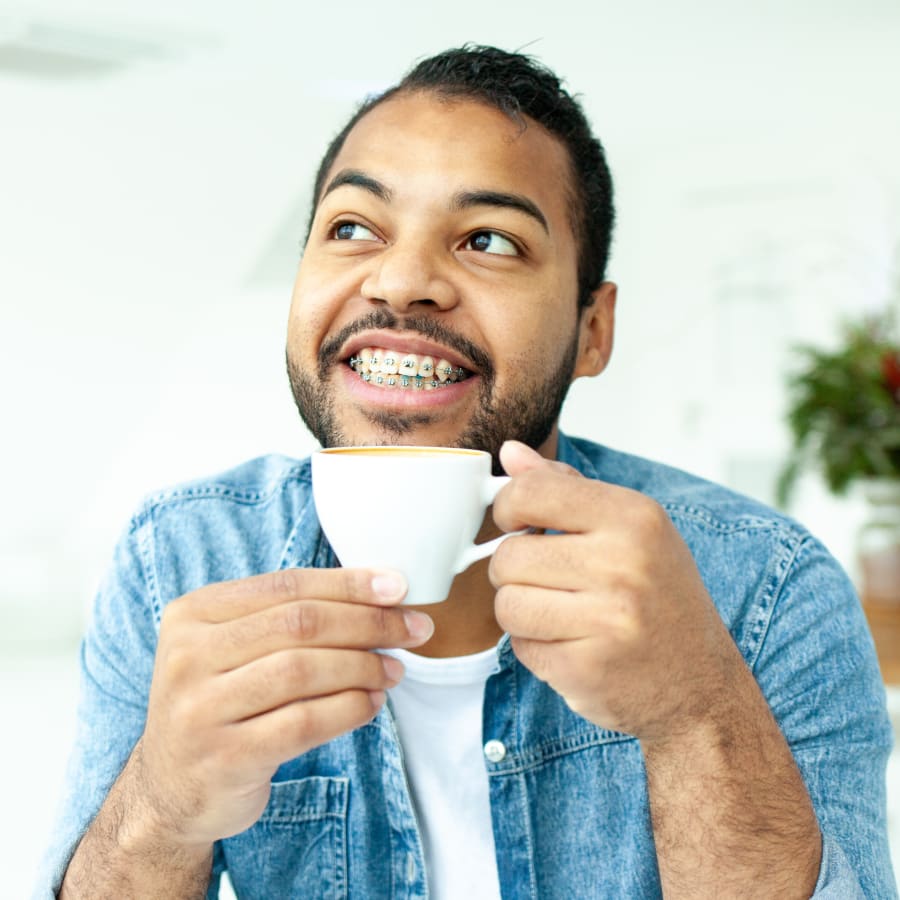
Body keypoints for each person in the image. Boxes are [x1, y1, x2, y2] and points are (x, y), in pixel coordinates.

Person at [40, 45, 895, 899]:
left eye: (489, 239)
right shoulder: (177, 563)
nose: (403, 281)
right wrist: (161, 806)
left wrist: (694, 713)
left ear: (592, 331)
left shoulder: (769, 590)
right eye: (351, 228)